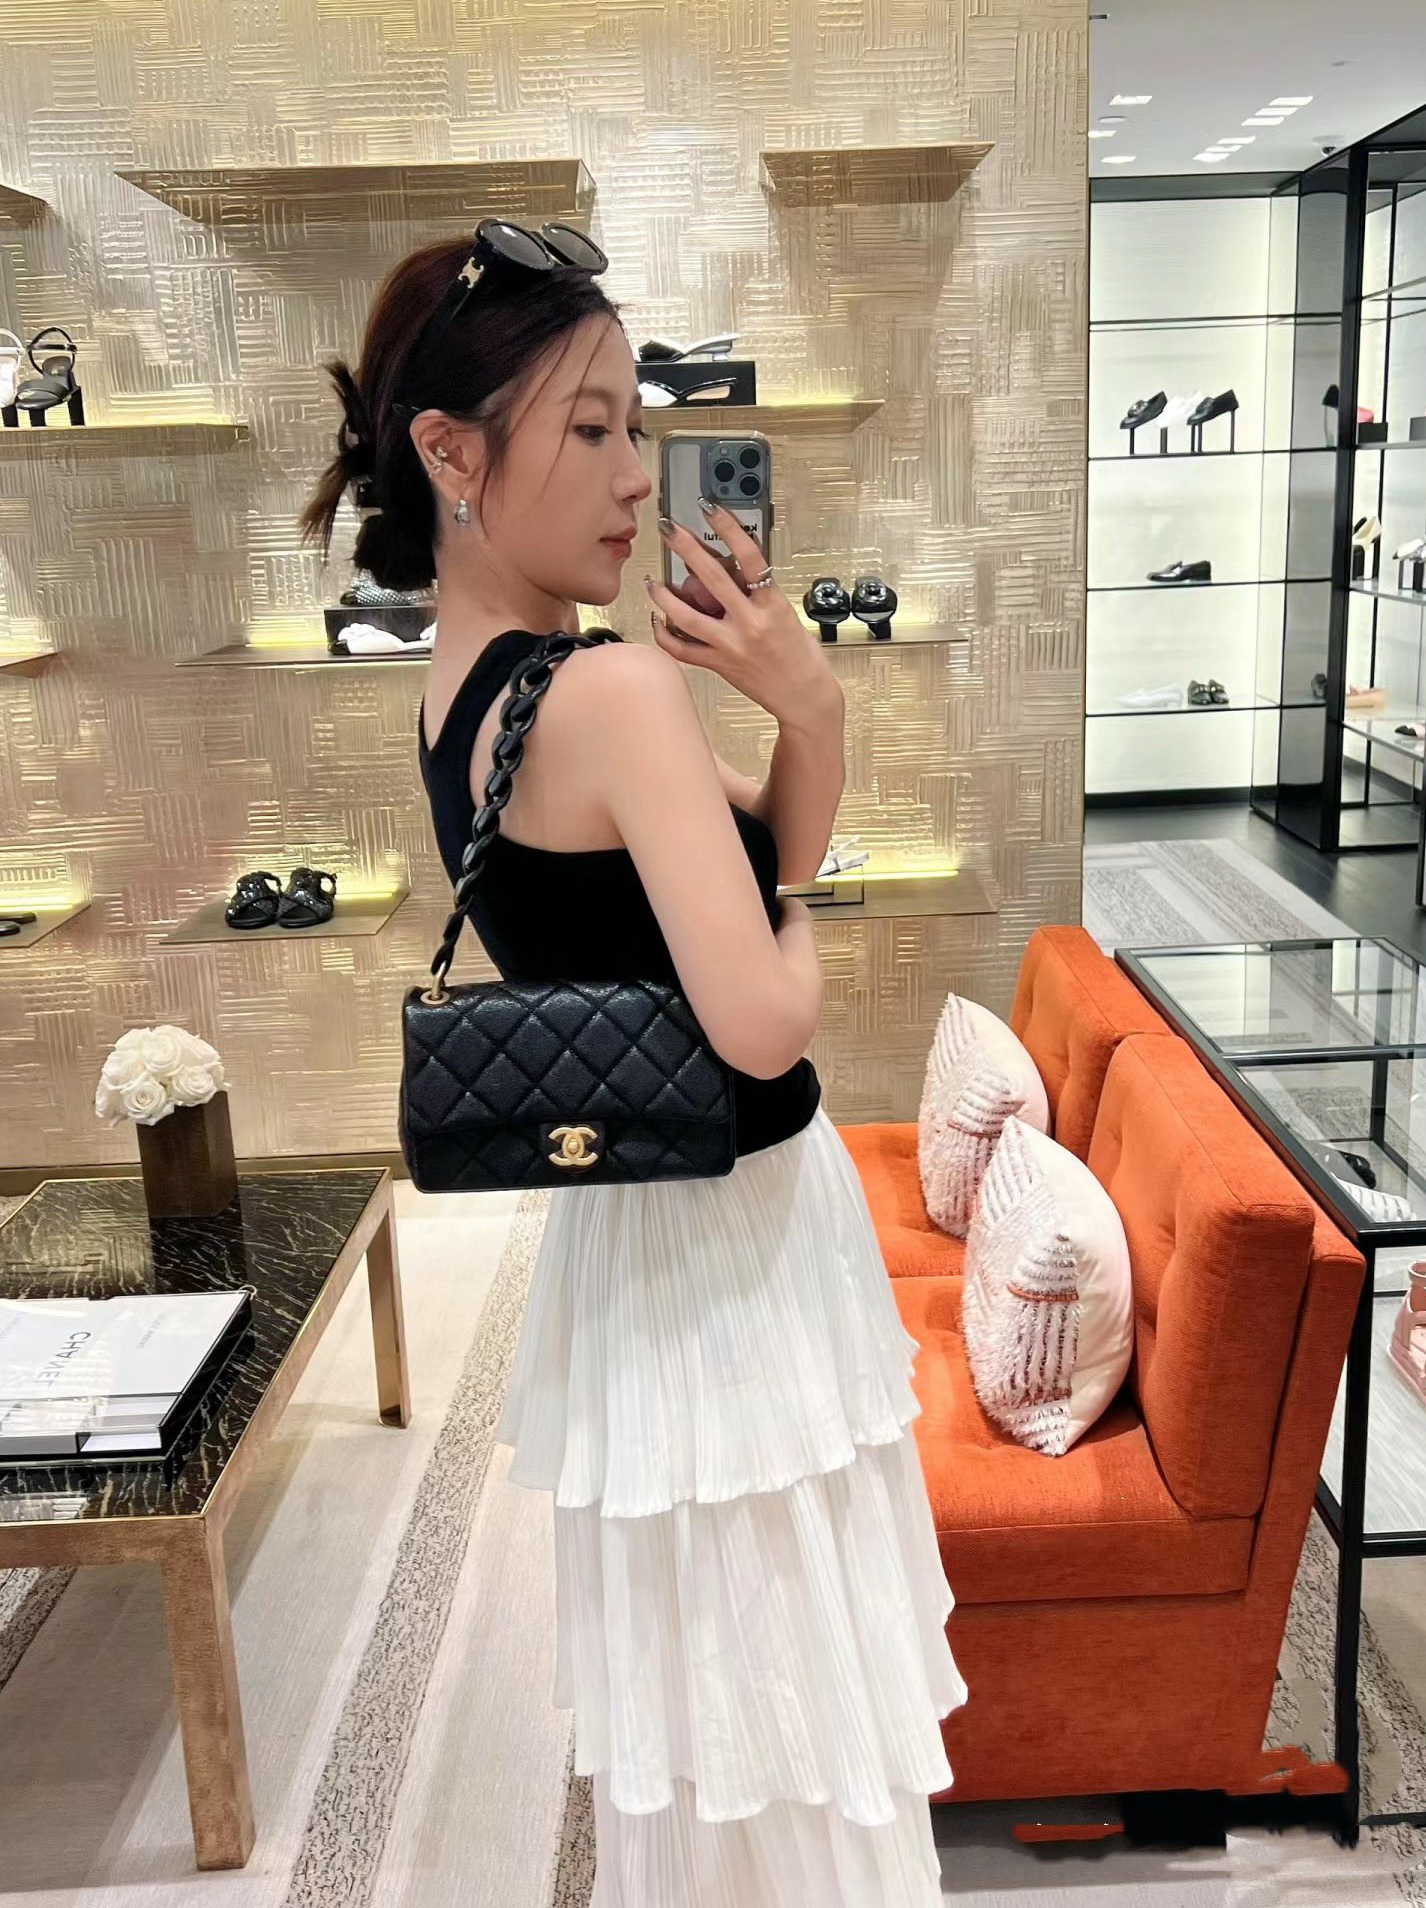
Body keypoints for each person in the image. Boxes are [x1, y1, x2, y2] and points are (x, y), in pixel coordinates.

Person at [303, 224, 966, 1905]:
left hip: (641, 1240)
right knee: (790, 1672)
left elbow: (753, 844)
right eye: (589, 427)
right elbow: (765, 1011)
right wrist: (805, 919)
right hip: (737, 1241)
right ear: (452, 455)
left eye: (636, 427)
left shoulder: (472, 689)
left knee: (718, 1673)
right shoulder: (607, 691)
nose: (630, 475)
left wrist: (808, 712)